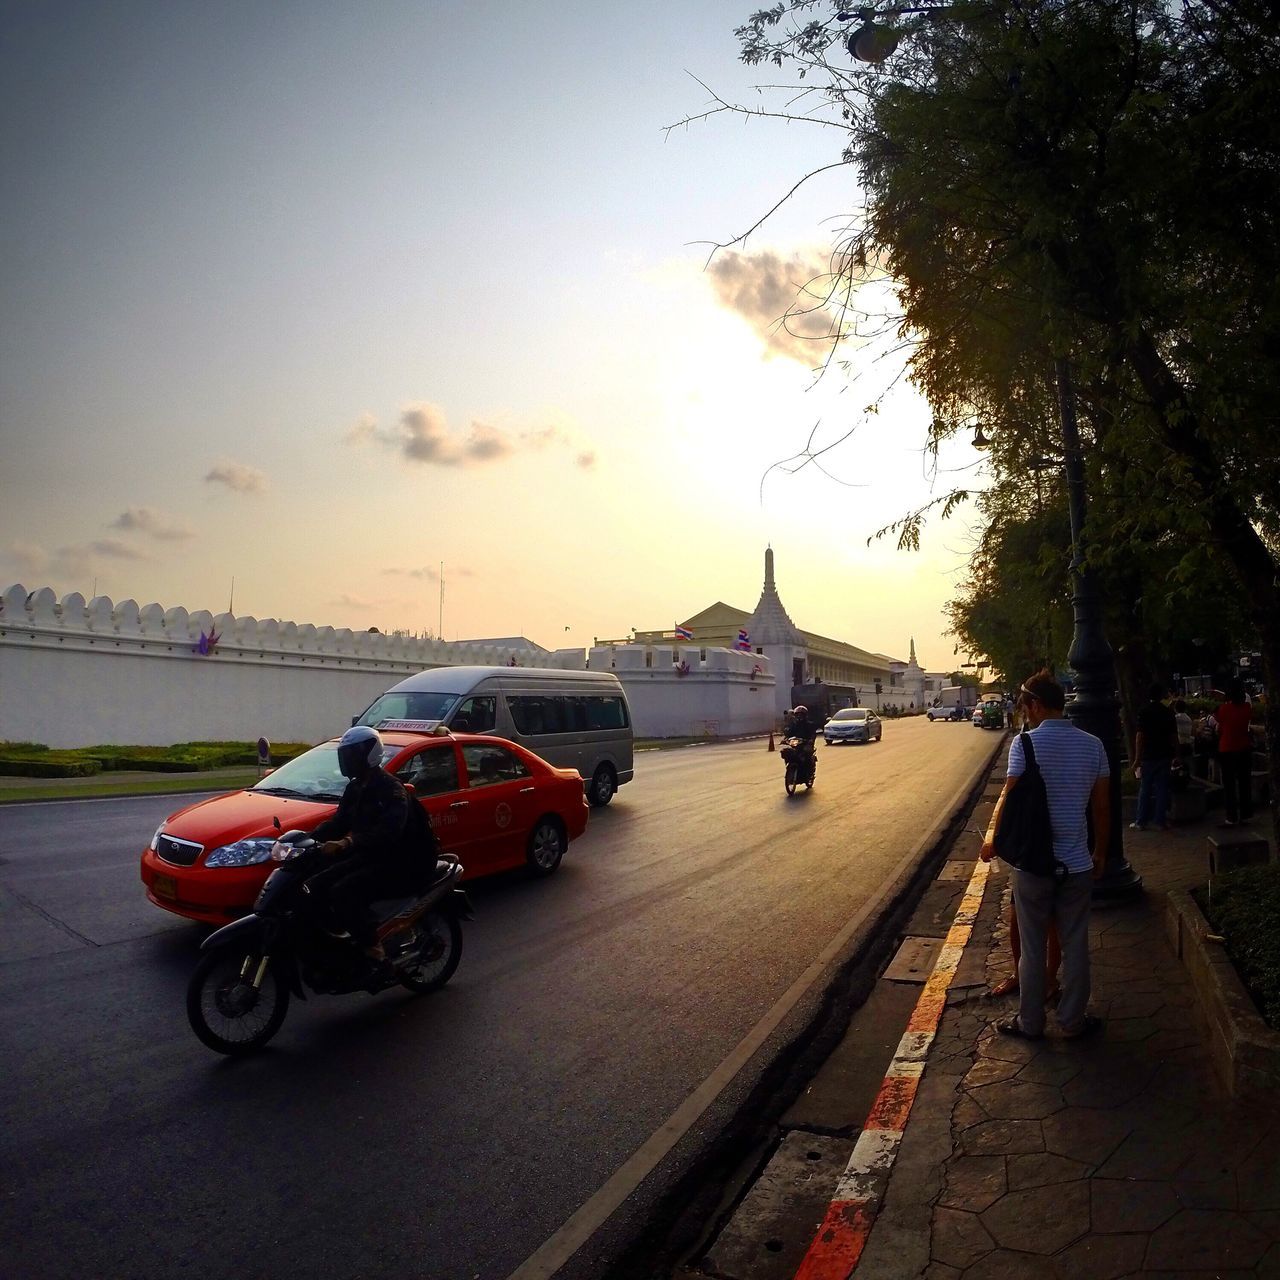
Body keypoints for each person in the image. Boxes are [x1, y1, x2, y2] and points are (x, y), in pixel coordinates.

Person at [980, 668, 1109, 1039]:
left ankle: (1030, 1022)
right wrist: (1099, 851)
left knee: (1032, 948)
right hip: (1078, 863)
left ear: (1036, 705)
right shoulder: (1093, 744)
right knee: (1076, 944)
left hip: (1033, 865)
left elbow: (1011, 797)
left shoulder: (1025, 745)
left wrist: (996, 840)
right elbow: (1102, 807)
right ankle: (1072, 1021)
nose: (1024, 712)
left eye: (1025, 705)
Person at [308, 725, 437, 961]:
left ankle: (374, 950)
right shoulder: (355, 788)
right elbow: (338, 822)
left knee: (343, 891)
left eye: (353, 755)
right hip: (372, 856)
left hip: (403, 862)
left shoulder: (391, 789)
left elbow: (389, 832)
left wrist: (347, 842)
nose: (348, 760)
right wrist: (306, 838)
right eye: (346, 755)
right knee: (316, 881)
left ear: (368, 754)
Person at [1131, 681, 1178, 831]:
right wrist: (1177, 754)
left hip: (1148, 755)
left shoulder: (1144, 711)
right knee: (1162, 788)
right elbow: (1173, 736)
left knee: (1145, 788)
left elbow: (1140, 736)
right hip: (1164, 754)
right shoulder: (1167, 712)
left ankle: (1141, 821)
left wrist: (1137, 758)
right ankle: (1160, 820)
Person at [1215, 679, 1255, 827]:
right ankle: (1246, 814)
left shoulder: (1223, 709)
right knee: (1245, 782)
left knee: (1229, 785)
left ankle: (1231, 816)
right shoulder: (1247, 708)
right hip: (1244, 748)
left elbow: (1219, 728)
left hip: (1227, 749)